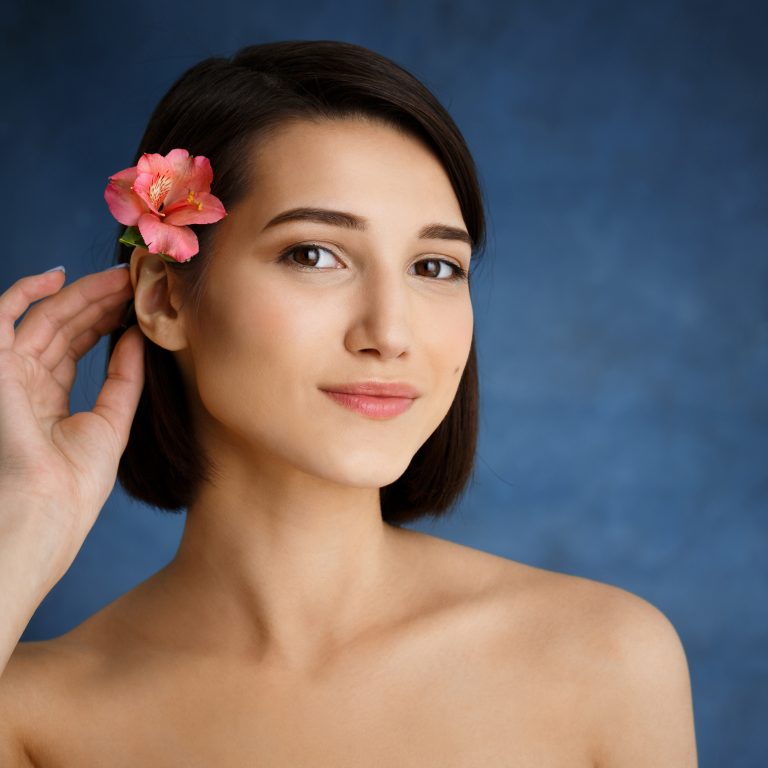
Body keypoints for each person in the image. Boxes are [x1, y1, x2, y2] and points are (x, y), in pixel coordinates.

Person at [0, 40, 697, 765]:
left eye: (435, 266)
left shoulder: (605, 660)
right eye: (314, 255)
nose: (389, 334)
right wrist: (25, 519)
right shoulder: (32, 713)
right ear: (164, 296)